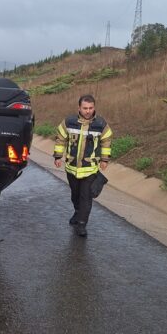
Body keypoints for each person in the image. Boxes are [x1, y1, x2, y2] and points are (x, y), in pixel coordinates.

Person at [53, 95, 112, 237]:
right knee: (75, 195)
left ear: (94, 108)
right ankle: (78, 212)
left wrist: (104, 159)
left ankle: (81, 224)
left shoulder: (100, 124)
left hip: (90, 169)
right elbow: (61, 139)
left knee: (86, 197)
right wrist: (57, 156)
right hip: (71, 167)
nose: (88, 111)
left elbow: (106, 141)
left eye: (91, 108)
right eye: (85, 108)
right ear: (79, 108)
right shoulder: (69, 122)